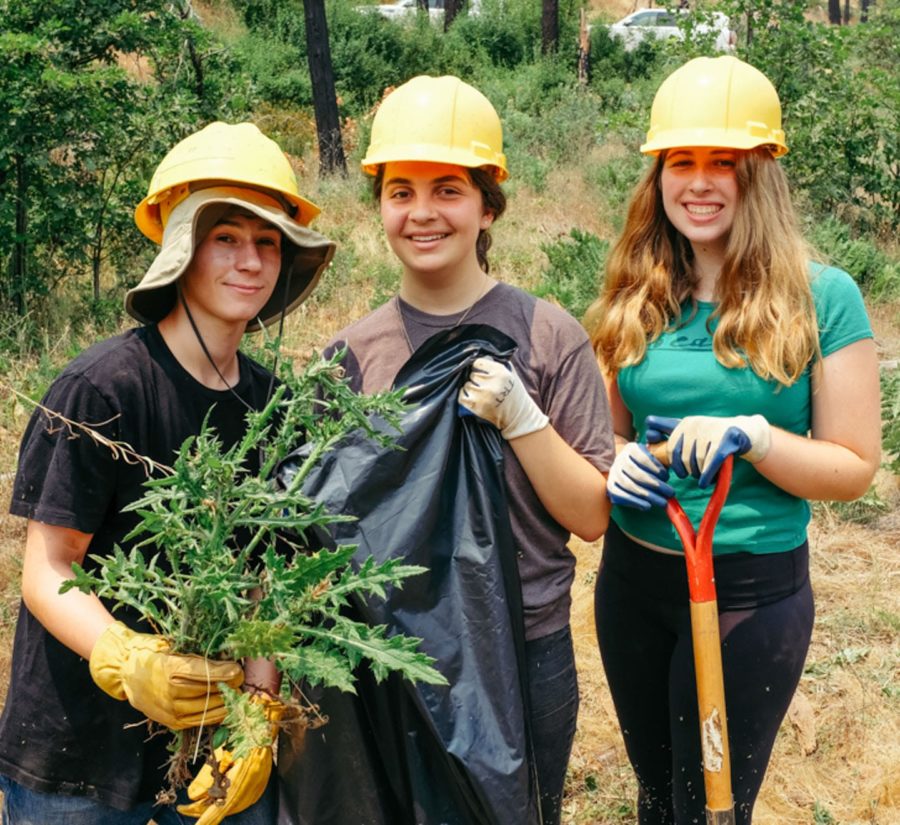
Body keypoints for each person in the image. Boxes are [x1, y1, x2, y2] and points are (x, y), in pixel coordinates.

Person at [296, 75, 615, 824]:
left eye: (448, 189)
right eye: (400, 190)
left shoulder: (546, 334)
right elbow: (317, 533)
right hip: (388, 657)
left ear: (487, 205)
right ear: (378, 205)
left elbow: (593, 515)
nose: (422, 212)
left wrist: (524, 421)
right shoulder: (348, 356)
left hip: (524, 652)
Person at [0, 121, 335, 825]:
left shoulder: (275, 407)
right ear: (183, 247)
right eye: (227, 237)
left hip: (208, 751)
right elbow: (46, 567)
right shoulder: (104, 390)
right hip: (78, 756)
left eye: (268, 242)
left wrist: (259, 712)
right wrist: (127, 658)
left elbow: (266, 584)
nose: (251, 260)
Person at [589, 55, 881, 823]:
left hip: (748, 593)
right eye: (681, 161)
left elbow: (853, 468)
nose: (699, 181)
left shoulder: (825, 298)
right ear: (657, 175)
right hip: (632, 582)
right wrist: (616, 460)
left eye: (725, 161)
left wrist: (755, 436)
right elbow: (608, 431)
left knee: (712, 808)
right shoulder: (636, 289)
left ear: (761, 173)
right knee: (655, 798)